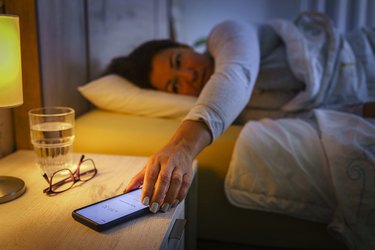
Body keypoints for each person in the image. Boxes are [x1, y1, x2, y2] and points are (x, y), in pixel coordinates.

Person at [103, 12, 374, 213]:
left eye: (179, 61)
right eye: (175, 86)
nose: (189, 76)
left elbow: (237, 72)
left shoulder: (227, 34)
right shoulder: (238, 113)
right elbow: (318, 113)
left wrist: (181, 147)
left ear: (186, 48)